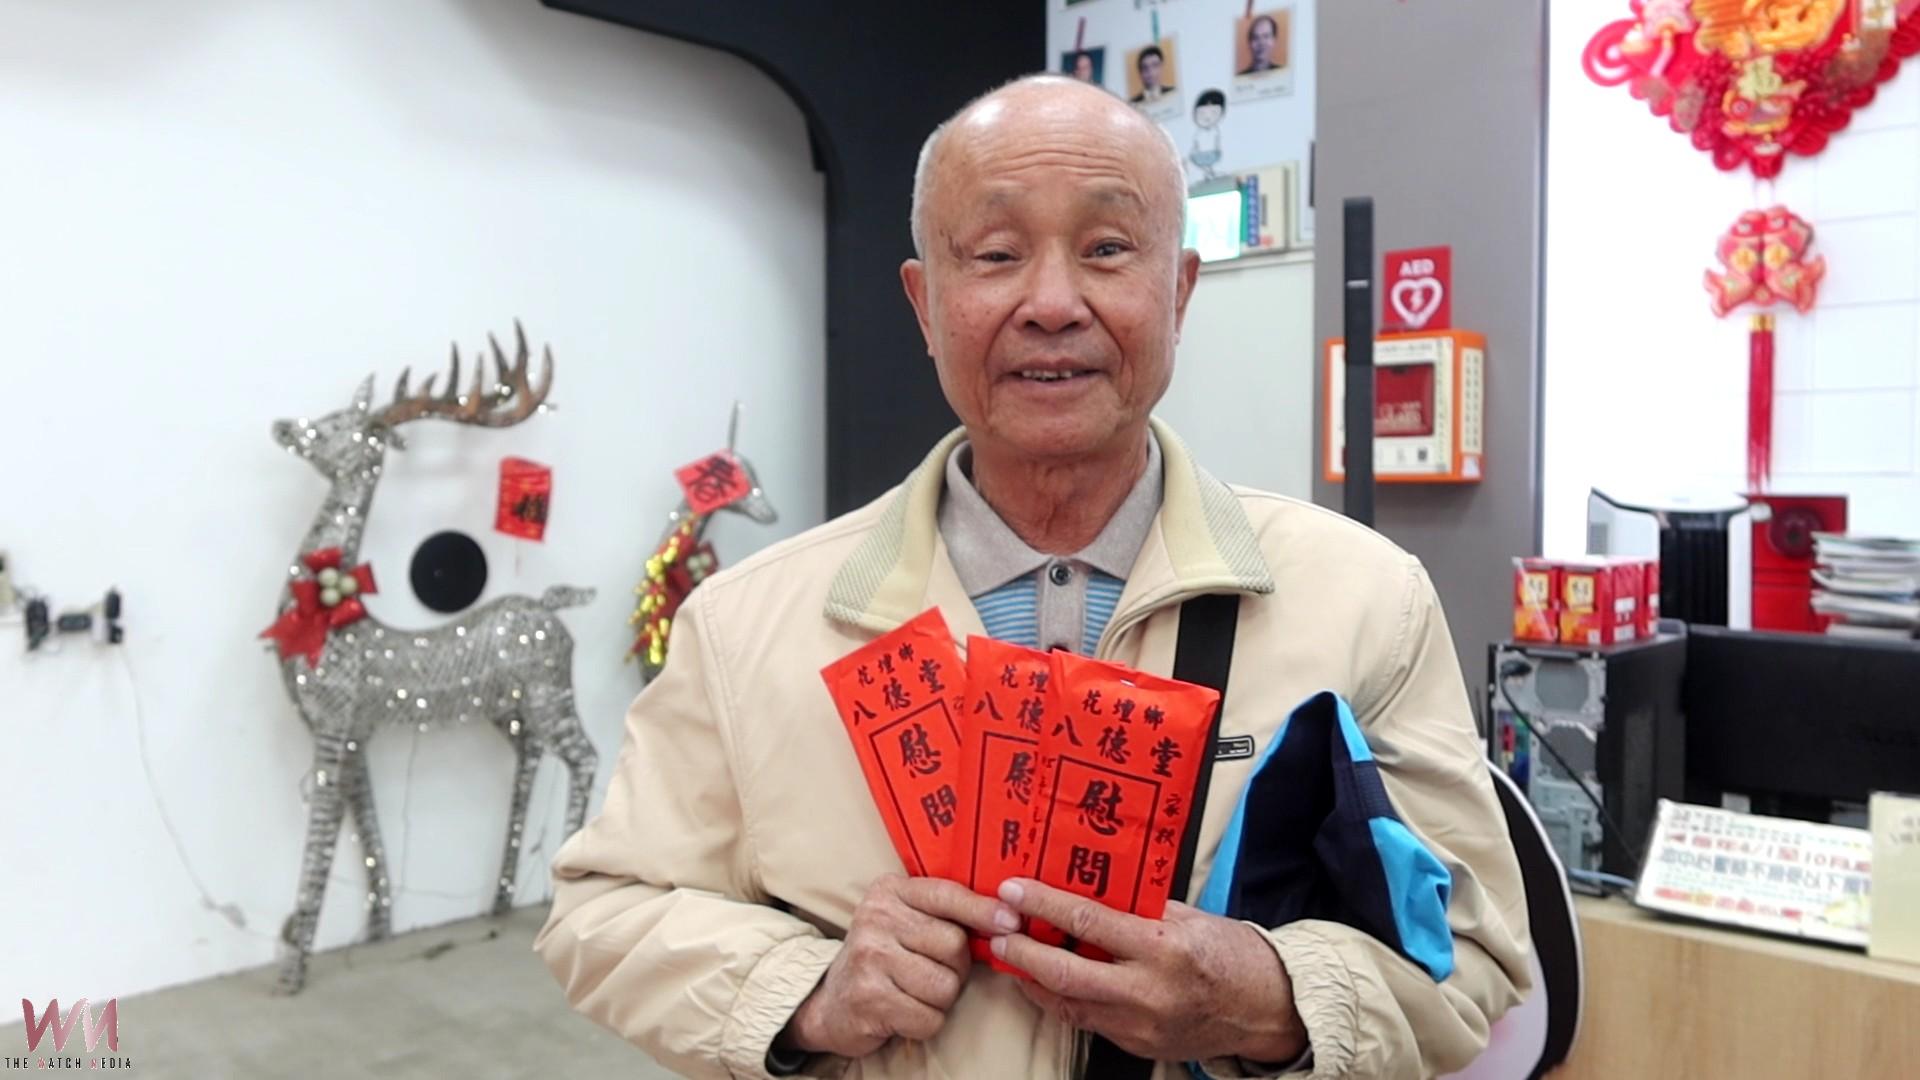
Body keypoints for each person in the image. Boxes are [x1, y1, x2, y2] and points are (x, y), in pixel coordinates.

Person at [536, 74, 1531, 1080]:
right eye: (995, 254)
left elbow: (1478, 953)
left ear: (1180, 293)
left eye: (1108, 249)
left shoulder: (1365, 601)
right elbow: (604, 911)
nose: (1053, 305)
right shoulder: (747, 626)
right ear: (926, 306)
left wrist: (1270, 997)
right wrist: (809, 992)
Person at [1190, 90, 1227, 181]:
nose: (1207, 117)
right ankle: (1209, 174)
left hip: (1212, 154)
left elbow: (1217, 143)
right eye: (1202, 113)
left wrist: (1218, 150)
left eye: (1214, 112)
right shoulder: (1198, 133)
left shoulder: (1215, 131)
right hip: (1200, 155)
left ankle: (1210, 174)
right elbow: (1196, 144)